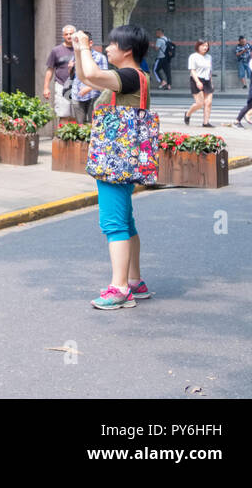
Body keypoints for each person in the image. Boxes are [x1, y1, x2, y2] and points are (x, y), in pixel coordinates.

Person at [72, 24, 154, 310]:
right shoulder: (135, 77)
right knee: (126, 222)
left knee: (113, 223)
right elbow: (86, 77)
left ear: (127, 50)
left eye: (111, 45)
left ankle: (119, 289)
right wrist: (77, 47)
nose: (106, 48)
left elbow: (92, 74)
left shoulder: (129, 76)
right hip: (125, 158)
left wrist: (84, 46)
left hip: (114, 160)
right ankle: (134, 282)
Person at [71, 33, 110, 124]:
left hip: (94, 94)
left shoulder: (100, 57)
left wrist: (88, 88)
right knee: (80, 126)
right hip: (77, 94)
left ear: (90, 43)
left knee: (95, 123)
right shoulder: (75, 55)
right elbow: (76, 76)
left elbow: (103, 78)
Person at [42, 25, 77, 121]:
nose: (69, 36)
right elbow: (50, 69)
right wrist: (46, 88)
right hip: (61, 85)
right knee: (63, 113)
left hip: (78, 86)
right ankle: (61, 135)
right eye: (66, 34)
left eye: (71, 34)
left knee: (76, 115)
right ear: (63, 36)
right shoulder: (56, 50)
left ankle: (73, 136)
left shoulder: (80, 50)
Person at [184, 40, 215, 128]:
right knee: (199, 103)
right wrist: (197, 81)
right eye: (203, 45)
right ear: (198, 46)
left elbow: (210, 71)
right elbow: (192, 70)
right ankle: (188, 114)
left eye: (206, 46)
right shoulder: (193, 56)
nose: (205, 47)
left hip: (207, 80)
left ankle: (206, 122)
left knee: (208, 102)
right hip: (196, 79)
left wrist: (211, 82)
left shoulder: (209, 57)